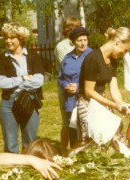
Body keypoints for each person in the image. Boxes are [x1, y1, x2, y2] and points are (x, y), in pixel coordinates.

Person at [77, 27, 130, 144]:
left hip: (102, 100)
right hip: (88, 103)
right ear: (118, 42)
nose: (124, 54)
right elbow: (89, 92)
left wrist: (122, 105)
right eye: (125, 50)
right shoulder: (93, 58)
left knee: (115, 134)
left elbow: (114, 88)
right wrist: (114, 105)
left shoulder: (112, 60)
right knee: (95, 141)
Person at [0, 23, 45, 154]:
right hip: (8, 104)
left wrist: (15, 84)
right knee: (10, 145)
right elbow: (2, 83)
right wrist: (23, 78)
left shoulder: (33, 56)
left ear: (20, 38)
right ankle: (13, 171)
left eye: (11, 37)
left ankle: (29, 171)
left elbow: (38, 81)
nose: (8, 41)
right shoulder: (2, 58)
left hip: (30, 100)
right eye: (6, 37)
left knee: (30, 143)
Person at [58, 27, 92, 152]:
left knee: (86, 128)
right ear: (73, 42)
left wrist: (78, 87)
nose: (83, 43)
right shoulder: (67, 58)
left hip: (86, 99)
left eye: (85, 40)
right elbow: (60, 78)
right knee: (72, 128)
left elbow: (96, 80)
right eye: (79, 40)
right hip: (70, 100)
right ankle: (74, 156)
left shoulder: (91, 56)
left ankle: (87, 157)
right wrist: (65, 85)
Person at [54, 17, 82, 156]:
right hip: (66, 88)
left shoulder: (82, 44)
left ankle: (80, 148)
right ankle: (64, 151)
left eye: (77, 28)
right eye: (72, 29)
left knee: (81, 120)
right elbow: (69, 69)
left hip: (80, 86)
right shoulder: (62, 47)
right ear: (67, 30)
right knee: (67, 122)